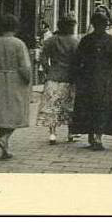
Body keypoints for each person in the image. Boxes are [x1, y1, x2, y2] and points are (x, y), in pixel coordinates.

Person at [70, 12, 112, 150]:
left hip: (88, 79)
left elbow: (77, 61)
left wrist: (76, 77)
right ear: (106, 25)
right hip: (106, 80)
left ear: (92, 24)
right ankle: (98, 138)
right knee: (104, 108)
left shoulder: (86, 40)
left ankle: (92, 136)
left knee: (89, 107)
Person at [0, 14, 31, 159]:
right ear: (15, 27)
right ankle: (5, 139)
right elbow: (24, 66)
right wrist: (27, 79)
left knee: (2, 112)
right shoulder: (18, 44)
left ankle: (5, 149)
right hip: (15, 79)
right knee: (17, 111)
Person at [35, 14, 79, 144]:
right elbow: (78, 61)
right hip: (69, 78)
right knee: (70, 106)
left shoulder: (51, 40)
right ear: (71, 27)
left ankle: (52, 134)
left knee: (52, 106)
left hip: (53, 77)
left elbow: (42, 58)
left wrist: (48, 69)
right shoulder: (75, 41)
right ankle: (71, 133)